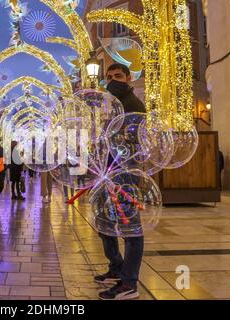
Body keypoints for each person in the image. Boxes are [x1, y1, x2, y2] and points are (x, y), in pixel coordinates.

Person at [94, 63, 146, 300]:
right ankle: (116, 267)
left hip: (126, 174)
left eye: (117, 76)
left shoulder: (133, 106)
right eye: (109, 77)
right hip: (109, 172)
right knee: (104, 222)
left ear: (128, 78)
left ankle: (129, 283)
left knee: (130, 227)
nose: (112, 81)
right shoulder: (114, 107)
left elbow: (135, 145)